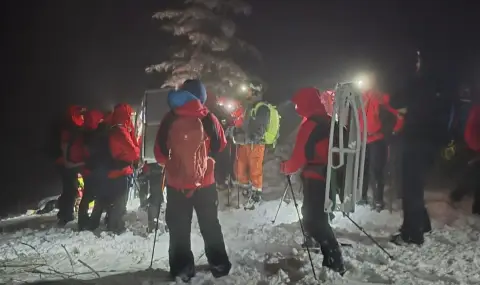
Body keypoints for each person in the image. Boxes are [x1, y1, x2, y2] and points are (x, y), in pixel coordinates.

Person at [154, 83, 231, 281]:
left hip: (176, 184)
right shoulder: (207, 117)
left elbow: (159, 154)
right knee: (210, 224)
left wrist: (175, 164)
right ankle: (219, 265)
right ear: (200, 97)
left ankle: (182, 269)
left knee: (179, 227)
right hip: (205, 184)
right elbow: (220, 145)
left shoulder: (170, 118)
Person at [280, 87, 346, 275]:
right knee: (312, 214)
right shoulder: (328, 121)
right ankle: (317, 242)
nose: (296, 108)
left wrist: (286, 167)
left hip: (317, 177)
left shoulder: (311, 124)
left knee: (316, 219)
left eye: (298, 104)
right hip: (329, 176)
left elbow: (298, 157)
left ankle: (334, 260)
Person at [391, 50, 451, 245]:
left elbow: (396, 100)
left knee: (410, 189)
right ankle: (422, 224)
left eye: (418, 59)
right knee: (416, 186)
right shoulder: (442, 84)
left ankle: (412, 234)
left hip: (416, 139)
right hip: (432, 142)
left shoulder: (419, 82)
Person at [90, 104, 140, 234]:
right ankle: (116, 227)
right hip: (120, 173)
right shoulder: (121, 132)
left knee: (107, 200)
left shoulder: (110, 130)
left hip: (109, 172)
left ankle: (102, 223)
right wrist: (133, 134)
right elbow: (134, 153)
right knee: (119, 203)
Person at [231, 87, 280, 207]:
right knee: (240, 167)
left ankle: (256, 194)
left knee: (255, 169)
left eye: (249, 92)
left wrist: (246, 138)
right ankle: (246, 189)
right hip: (247, 143)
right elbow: (246, 125)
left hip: (256, 144)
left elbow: (260, 130)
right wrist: (237, 132)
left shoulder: (262, 108)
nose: (247, 94)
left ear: (255, 93)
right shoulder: (251, 107)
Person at [359, 86, 404, 211]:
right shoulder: (360, 100)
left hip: (377, 140)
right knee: (363, 169)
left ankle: (378, 200)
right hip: (363, 140)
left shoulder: (377, 98)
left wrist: (393, 131)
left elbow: (398, 114)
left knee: (375, 171)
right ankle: (363, 197)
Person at [450, 95, 480, 215]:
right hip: (476, 147)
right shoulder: (477, 109)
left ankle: (457, 195)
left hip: (474, 146)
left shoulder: (476, 108)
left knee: (474, 175)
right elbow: (472, 129)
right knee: (474, 175)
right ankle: (457, 195)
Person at [57, 105, 86, 226]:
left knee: (69, 189)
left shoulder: (70, 126)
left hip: (69, 163)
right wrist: (67, 162)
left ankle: (64, 214)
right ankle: (65, 215)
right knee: (70, 190)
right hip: (68, 164)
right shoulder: (69, 128)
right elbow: (64, 146)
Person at [77, 109, 105, 231]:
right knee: (98, 196)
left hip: (87, 169)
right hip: (94, 170)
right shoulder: (93, 134)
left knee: (88, 196)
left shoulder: (83, 132)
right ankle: (91, 223)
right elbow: (96, 153)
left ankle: (83, 221)